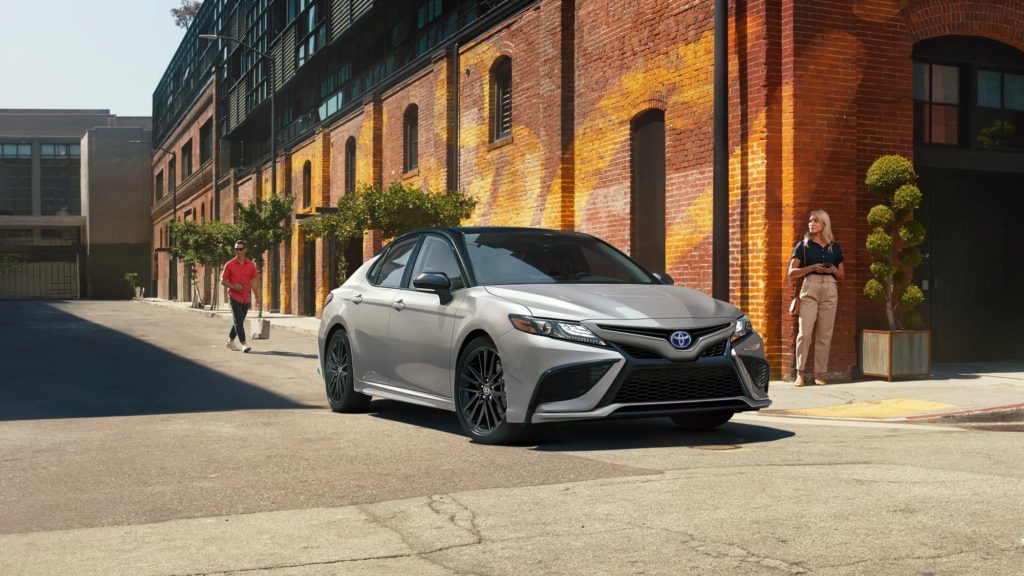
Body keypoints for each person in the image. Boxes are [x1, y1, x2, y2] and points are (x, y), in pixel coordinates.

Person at [788, 209, 844, 386]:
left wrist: (833, 270)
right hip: (810, 287)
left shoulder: (834, 247)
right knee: (805, 333)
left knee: (824, 334)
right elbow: (791, 273)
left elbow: (842, 274)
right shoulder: (803, 246)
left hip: (829, 287)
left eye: (816, 221)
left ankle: (819, 373)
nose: (811, 224)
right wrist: (812, 268)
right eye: (810, 221)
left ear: (824, 224)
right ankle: (800, 373)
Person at [221, 240, 259, 353]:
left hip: (246, 298)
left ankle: (230, 341)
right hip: (234, 297)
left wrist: (257, 296)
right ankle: (244, 344)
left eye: (241, 249)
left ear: (245, 250)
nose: (238, 251)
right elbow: (222, 280)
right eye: (236, 249)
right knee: (238, 320)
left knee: (239, 322)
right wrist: (234, 286)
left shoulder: (251, 264)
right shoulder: (229, 264)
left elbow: (253, 282)